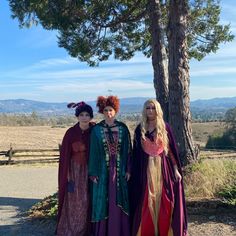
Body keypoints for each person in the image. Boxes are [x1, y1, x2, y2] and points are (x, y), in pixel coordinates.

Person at [129, 99, 187, 236]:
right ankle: (146, 231)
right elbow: (135, 153)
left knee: (165, 200)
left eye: (153, 108)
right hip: (145, 170)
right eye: (148, 108)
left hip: (163, 169)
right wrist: (132, 171)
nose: (150, 111)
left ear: (157, 110)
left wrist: (175, 169)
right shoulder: (140, 128)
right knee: (145, 200)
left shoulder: (165, 127)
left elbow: (170, 151)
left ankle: (165, 231)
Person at [88, 95, 132, 236]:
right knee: (103, 200)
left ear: (115, 110)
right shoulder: (96, 130)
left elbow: (128, 150)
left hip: (119, 171)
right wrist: (93, 173)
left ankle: (119, 231)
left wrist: (128, 169)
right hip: (102, 170)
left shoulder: (123, 128)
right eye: (106, 110)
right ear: (102, 111)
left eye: (111, 110)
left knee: (119, 198)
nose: (108, 113)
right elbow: (93, 152)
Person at [56, 101, 94, 236]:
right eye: (82, 114)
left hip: (89, 171)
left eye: (87, 115)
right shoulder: (71, 133)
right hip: (73, 172)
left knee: (86, 200)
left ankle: (85, 229)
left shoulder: (94, 131)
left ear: (91, 117)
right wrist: (66, 175)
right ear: (77, 116)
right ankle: (71, 229)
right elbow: (65, 155)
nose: (84, 117)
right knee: (73, 200)